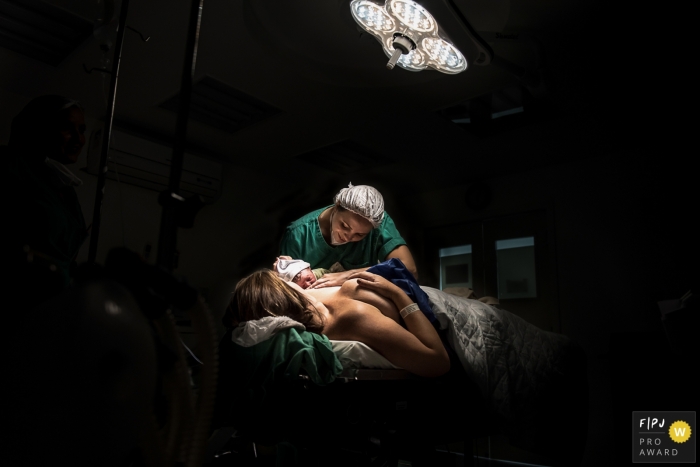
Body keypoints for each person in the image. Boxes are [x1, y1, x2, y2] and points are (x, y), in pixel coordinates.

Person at [226, 269, 450, 378]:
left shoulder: (309, 298)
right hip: (422, 304)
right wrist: (398, 294)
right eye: (282, 283)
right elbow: (437, 362)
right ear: (281, 299)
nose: (288, 282)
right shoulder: (352, 317)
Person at [5, 95, 88, 307]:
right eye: (67, 128)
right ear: (39, 128)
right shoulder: (10, 168)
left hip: (51, 307)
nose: (79, 139)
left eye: (82, 130)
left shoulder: (63, 186)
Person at [278, 183, 417, 288]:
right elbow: (285, 291)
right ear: (337, 206)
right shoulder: (298, 234)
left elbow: (409, 269)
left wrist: (348, 275)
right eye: (344, 226)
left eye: (360, 235)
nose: (348, 237)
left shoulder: (379, 225)